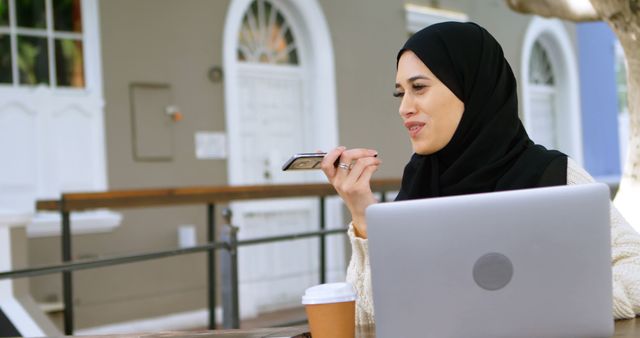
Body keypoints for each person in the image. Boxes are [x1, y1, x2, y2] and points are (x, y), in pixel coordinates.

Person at [320, 21, 640, 325]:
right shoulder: (417, 186)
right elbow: (369, 321)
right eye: (400, 93)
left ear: (471, 87)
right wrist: (363, 214)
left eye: (418, 87)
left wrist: (546, 307)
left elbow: (635, 271)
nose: (405, 107)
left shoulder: (552, 176)